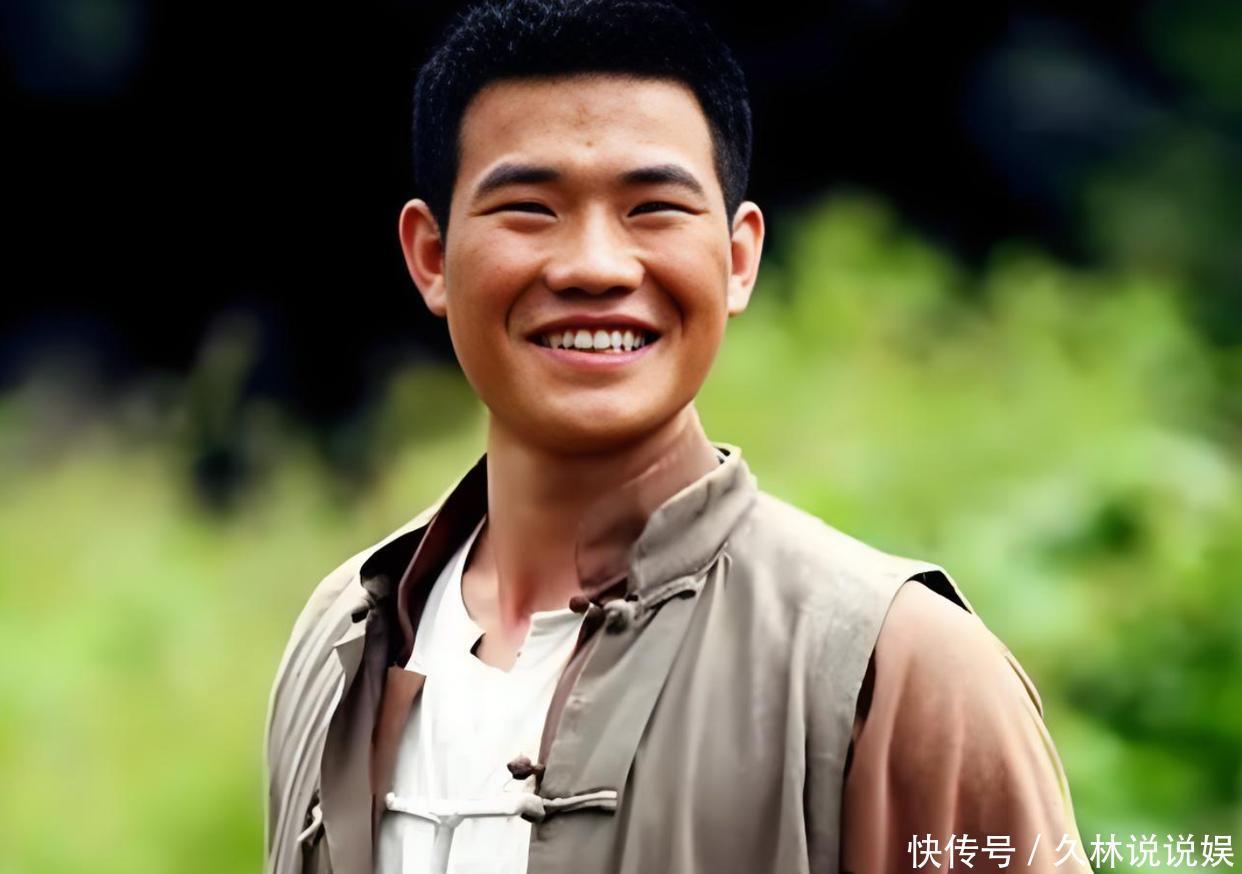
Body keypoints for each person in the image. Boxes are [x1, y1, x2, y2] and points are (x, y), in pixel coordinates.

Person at [263, 1, 1091, 872]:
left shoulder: (893, 669)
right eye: (530, 209)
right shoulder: (344, 638)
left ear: (738, 259)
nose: (594, 266)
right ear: (431, 256)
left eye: (654, 207)